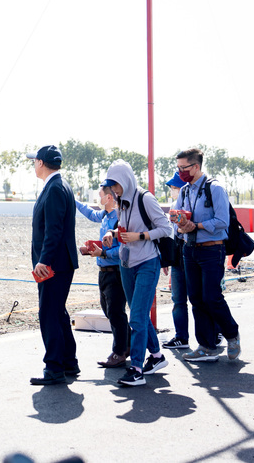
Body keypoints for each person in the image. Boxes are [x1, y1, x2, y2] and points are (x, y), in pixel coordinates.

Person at [100, 160, 173, 387]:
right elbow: (125, 228)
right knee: (138, 314)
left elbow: (166, 228)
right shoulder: (121, 202)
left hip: (147, 263)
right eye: (111, 186)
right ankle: (157, 356)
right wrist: (112, 233)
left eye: (116, 185)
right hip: (126, 264)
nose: (114, 190)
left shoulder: (145, 198)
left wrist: (139, 236)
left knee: (137, 317)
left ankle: (137, 369)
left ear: (126, 180)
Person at [173, 148, 241, 362]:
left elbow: (222, 221)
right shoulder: (184, 191)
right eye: (178, 168)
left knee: (212, 297)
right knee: (195, 298)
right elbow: (175, 220)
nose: (180, 172)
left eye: (183, 168)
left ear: (196, 166)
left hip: (212, 250)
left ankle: (232, 334)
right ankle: (206, 346)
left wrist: (196, 226)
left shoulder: (215, 188)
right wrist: (179, 225)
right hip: (189, 249)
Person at [27, 144, 80, 385]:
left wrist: (44, 260)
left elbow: (53, 230)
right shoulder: (59, 185)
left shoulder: (55, 188)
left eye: (34, 161)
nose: (33, 165)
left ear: (40, 162)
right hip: (59, 262)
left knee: (49, 313)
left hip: (53, 264)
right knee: (57, 312)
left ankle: (54, 368)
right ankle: (68, 362)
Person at [75, 181, 130, 368]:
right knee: (109, 311)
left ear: (108, 197)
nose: (98, 199)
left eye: (100, 196)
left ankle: (119, 352)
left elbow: (123, 249)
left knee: (115, 312)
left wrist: (103, 253)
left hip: (115, 272)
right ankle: (127, 345)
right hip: (104, 271)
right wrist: (74, 201)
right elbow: (90, 213)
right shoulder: (106, 215)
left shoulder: (118, 220)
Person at [162, 171, 197, 350]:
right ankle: (181, 337)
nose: (172, 190)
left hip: (193, 253)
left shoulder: (195, 203)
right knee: (178, 299)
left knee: (199, 298)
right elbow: (171, 235)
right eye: (172, 188)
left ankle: (213, 334)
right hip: (177, 256)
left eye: (175, 187)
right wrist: (166, 259)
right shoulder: (173, 207)